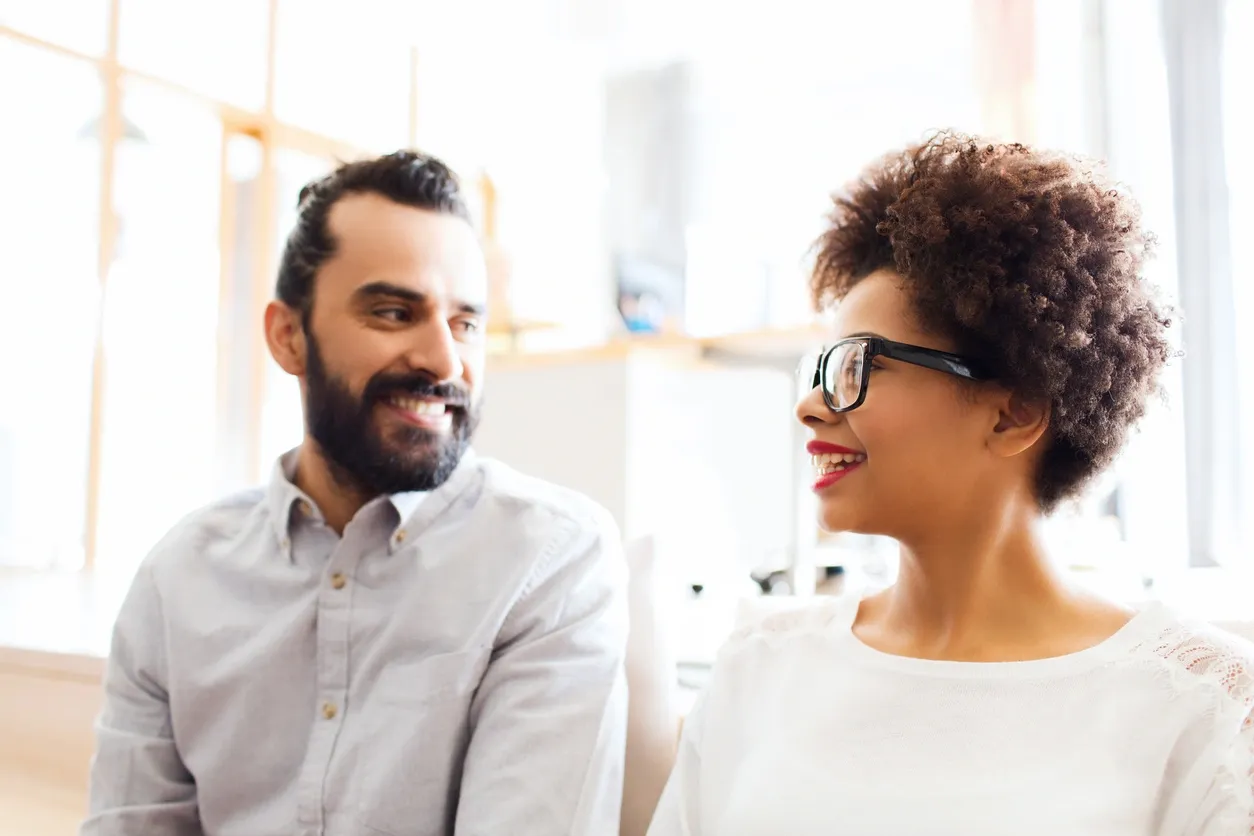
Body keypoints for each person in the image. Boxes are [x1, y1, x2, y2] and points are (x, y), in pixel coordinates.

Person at [648, 133, 1254, 835]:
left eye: (856, 367)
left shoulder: (1205, 710)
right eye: (819, 370)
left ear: (1014, 412)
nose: (810, 405)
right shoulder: (759, 671)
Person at [82, 151, 629, 836]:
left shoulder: (549, 562)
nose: (444, 359)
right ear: (289, 337)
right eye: (395, 312)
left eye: (465, 324)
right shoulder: (178, 578)